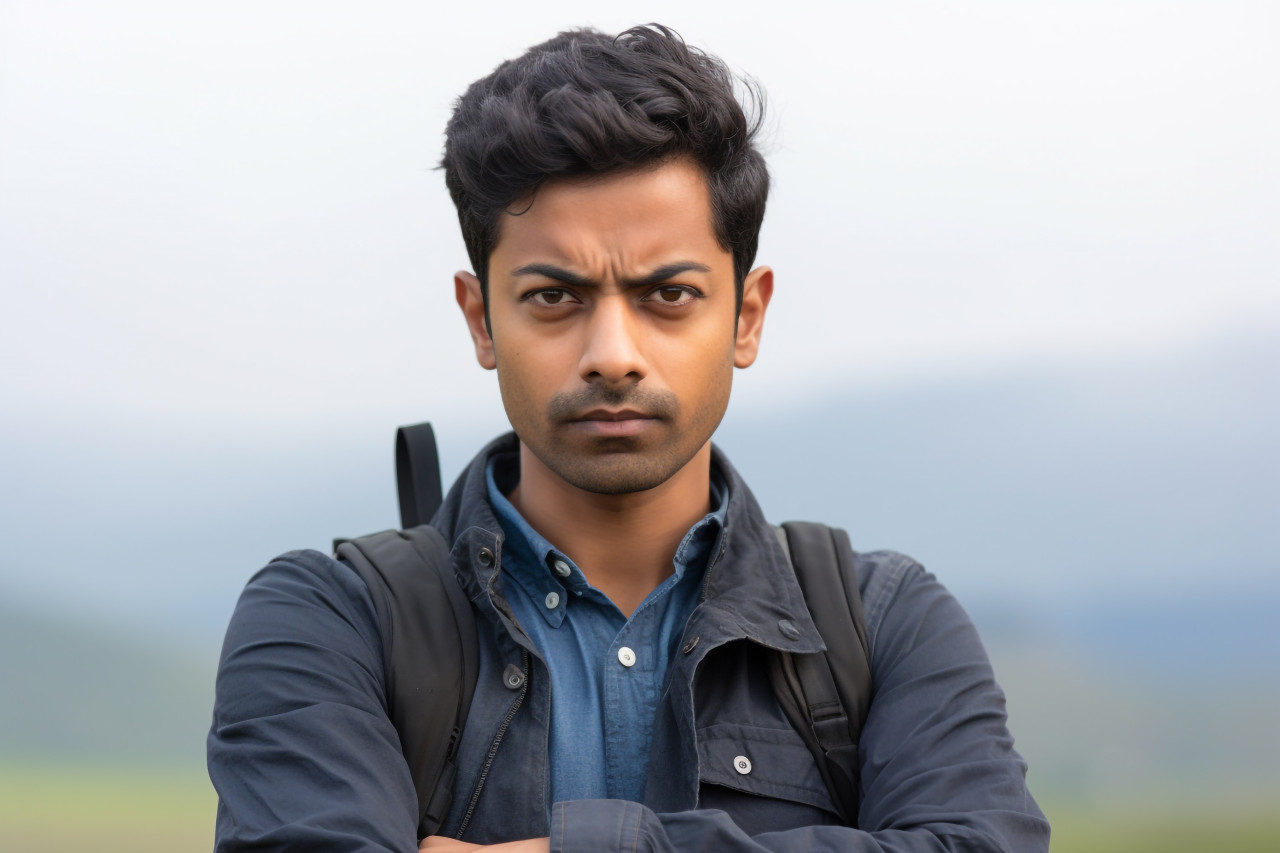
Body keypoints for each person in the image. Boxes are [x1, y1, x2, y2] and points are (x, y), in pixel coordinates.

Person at [208, 24, 1050, 853]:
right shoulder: (329, 621)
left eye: (669, 294)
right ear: (481, 318)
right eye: (553, 296)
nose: (613, 354)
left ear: (746, 316)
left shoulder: (882, 625)